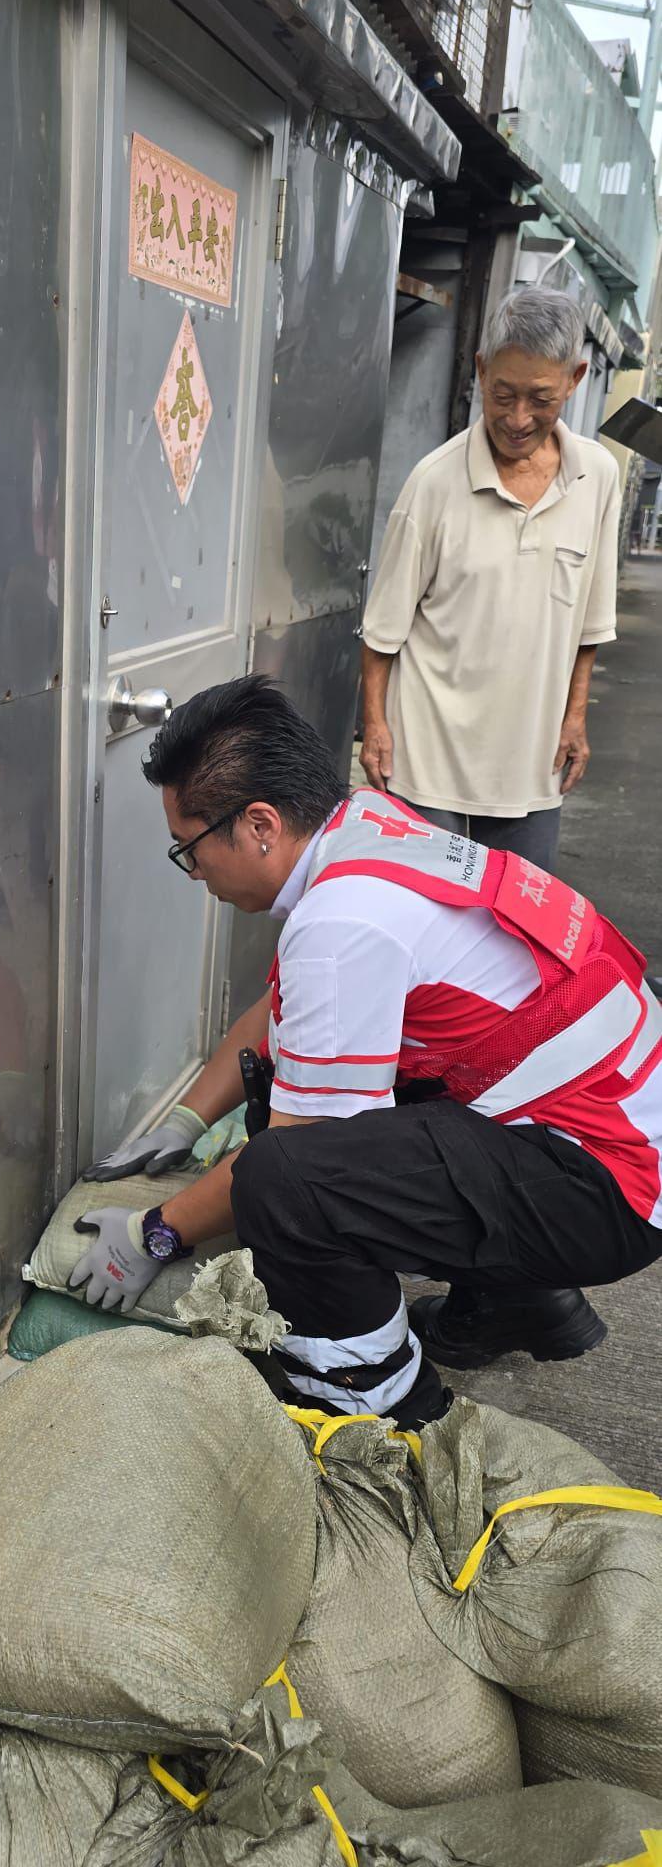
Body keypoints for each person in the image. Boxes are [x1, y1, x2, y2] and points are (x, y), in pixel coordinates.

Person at [70, 678, 662, 1427]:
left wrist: (156, 1231)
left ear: (259, 824)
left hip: (609, 1186)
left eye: (189, 850)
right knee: (304, 1111)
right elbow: (285, 1013)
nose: (196, 876)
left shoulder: (343, 924)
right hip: (611, 1124)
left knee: (285, 1186)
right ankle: (520, 1297)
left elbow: (298, 1159)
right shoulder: (366, 825)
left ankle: (384, 1409)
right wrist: (187, 1118)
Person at [359, 287, 620, 870]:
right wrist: (375, 727)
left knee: (519, 934)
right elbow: (382, 634)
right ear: (480, 371)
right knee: (428, 923)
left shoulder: (597, 477)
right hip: (426, 761)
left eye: (540, 398)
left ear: (576, 379)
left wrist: (575, 718)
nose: (518, 418)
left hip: (532, 762)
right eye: (502, 394)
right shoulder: (433, 483)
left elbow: (591, 624)